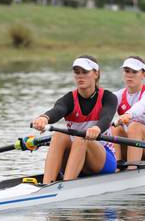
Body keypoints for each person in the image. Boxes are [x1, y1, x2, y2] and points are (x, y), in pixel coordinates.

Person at [32, 55, 118, 184]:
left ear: (96, 73)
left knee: (81, 137)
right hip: (76, 156)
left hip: (103, 160)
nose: (80, 76)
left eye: (85, 72)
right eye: (77, 72)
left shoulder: (108, 97)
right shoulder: (69, 99)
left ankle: (67, 186)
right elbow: (57, 110)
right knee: (59, 135)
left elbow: (106, 118)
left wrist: (97, 128)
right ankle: (47, 184)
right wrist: (44, 118)